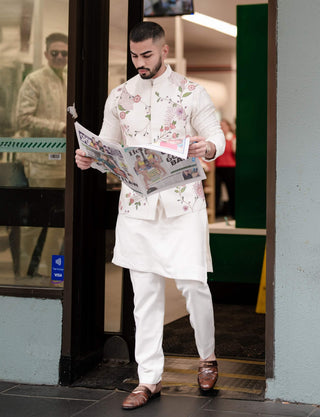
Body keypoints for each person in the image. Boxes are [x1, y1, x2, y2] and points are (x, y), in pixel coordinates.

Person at [75, 22, 225, 410]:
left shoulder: (191, 92)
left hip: (182, 205)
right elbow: (108, 145)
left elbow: (214, 136)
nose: (139, 62)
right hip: (137, 208)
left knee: (194, 286)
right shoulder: (120, 95)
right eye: (134, 56)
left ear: (164, 50)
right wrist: (90, 158)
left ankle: (207, 357)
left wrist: (207, 145)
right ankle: (148, 379)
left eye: (146, 55)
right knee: (144, 296)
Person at [15, 32, 68, 278]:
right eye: (54, 52)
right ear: (46, 54)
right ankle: (27, 272)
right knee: (36, 221)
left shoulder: (68, 80)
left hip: (63, 164)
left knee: (59, 222)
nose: (59, 57)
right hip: (39, 163)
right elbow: (22, 119)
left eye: (64, 53)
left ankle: (52, 271)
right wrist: (59, 127)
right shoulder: (34, 80)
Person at [215, 119, 236, 218]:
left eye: (223, 125)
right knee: (216, 192)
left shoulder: (232, 138)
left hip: (230, 168)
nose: (222, 128)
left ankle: (233, 213)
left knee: (231, 191)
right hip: (218, 168)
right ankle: (216, 213)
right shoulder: (217, 139)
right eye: (220, 126)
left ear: (228, 126)